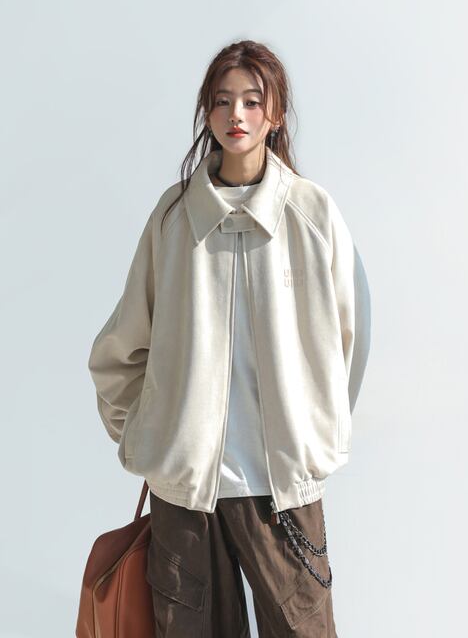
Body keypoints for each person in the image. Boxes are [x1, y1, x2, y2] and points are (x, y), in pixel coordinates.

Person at [88, 39, 371, 637]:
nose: (235, 115)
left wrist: (317, 437)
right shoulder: (173, 218)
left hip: (282, 490)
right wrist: (152, 436)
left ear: (275, 113)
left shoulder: (311, 213)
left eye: (251, 100)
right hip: (187, 493)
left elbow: (350, 336)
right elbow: (121, 346)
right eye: (222, 101)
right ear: (207, 112)